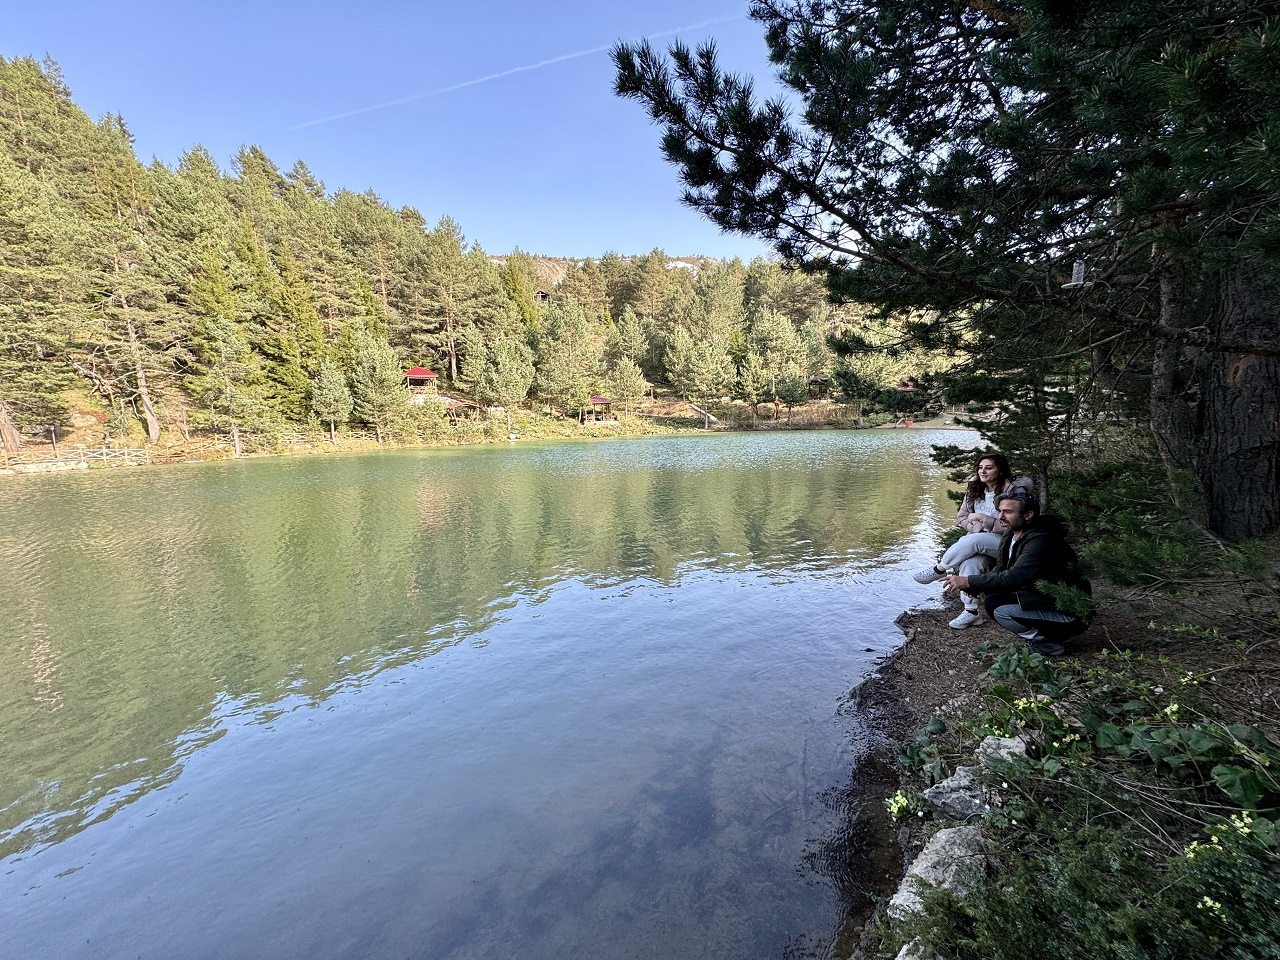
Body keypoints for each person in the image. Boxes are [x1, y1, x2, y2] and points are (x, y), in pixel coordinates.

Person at [942, 490, 1092, 657]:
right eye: (999, 511)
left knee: (996, 607)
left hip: (1072, 612)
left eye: (1008, 512)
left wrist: (969, 581)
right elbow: (1001, 569)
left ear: (1028, 515)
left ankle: (1045, 641)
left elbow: (1015, 577)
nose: (1001, 516)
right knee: (993, 594)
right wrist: (974, 587)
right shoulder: (1011, 536)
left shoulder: (1041, 540)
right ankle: (1043, 635)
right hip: (1044, 596)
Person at [913, 452, 1033, 629]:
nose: (982, 471)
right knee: (970, 562)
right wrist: (978, 528)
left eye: (989, 468)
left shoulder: (1014, 492)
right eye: (980, 467)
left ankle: (939, 569)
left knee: (974, 540)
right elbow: (962, 517)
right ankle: (971, 612)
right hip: (983, 541)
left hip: (1009, 543)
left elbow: (1019, 523)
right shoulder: (975, 488)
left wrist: (986, 520)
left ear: (1000, 471)